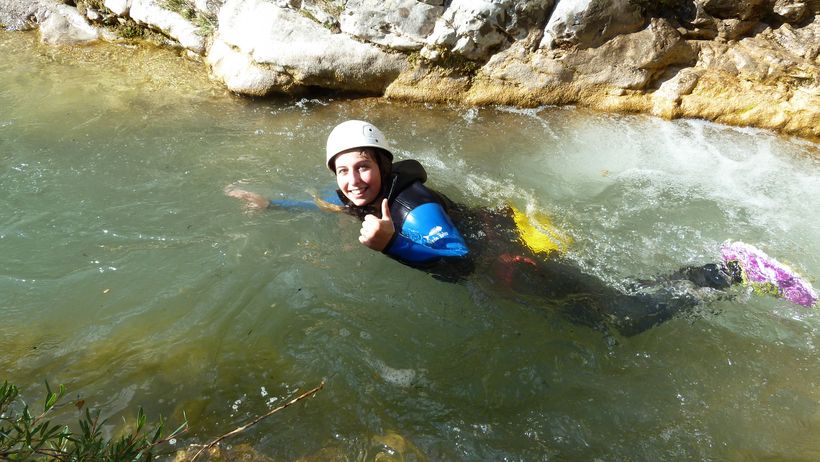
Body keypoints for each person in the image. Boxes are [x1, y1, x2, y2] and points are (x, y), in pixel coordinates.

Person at [226, 120, 817, 336]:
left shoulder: (412, 208)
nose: (353, 181)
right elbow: (332, 205)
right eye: (344, 171)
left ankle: (736, 268)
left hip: (508, 260)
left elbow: (453, 259)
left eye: (363, 167)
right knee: (597, 318)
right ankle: (726, 268)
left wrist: (391, 249)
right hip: (499, 242)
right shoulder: (358, 194)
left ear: (384, 166)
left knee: (621, 318)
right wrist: (274, 205)